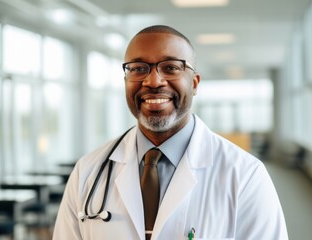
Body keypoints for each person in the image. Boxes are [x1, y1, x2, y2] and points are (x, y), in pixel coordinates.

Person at [53, 25, 288, 240]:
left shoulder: (246, 175)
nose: (153, 81)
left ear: (194, 83)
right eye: (138, 68)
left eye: (171, 67)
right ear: (126, 79)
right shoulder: (88, 172)